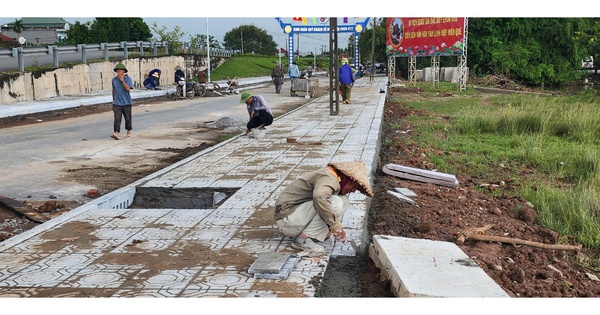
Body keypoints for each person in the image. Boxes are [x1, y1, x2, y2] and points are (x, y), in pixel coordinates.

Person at [274, 161, 374, 254]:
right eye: (354, 187)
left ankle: (319, 233)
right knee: (335, 202)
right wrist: (336, 227)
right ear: (348, 179)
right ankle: (302, 240)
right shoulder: (329, 178)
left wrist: (331, 229)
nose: (352, 191)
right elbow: (320, 198)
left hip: (296, 216)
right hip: (287, 220)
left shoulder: (334, 177)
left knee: (344, 200)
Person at [111, 63, 133, 140]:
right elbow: (113, 90)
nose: (119, 71)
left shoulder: (128, 79)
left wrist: (122, 80)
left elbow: (128, 88)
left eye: (120, 70)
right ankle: (116, 133)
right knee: (117, 118)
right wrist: (113, 100)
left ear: (124, 71)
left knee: (128, 118)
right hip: (117, 103)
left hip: (127, 102)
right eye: (118, 70)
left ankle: (128, 131)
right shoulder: (114, 80)